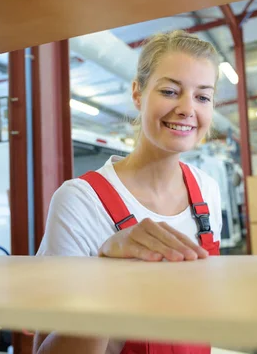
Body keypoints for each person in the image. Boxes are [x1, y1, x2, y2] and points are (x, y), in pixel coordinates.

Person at [33, 30, 224, 354]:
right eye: (169, 91)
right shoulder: (81, 201)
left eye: (202, 97)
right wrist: (107, 271)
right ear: (137, 93)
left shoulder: (207, 191)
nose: (187, 108)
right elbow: (46, 349)